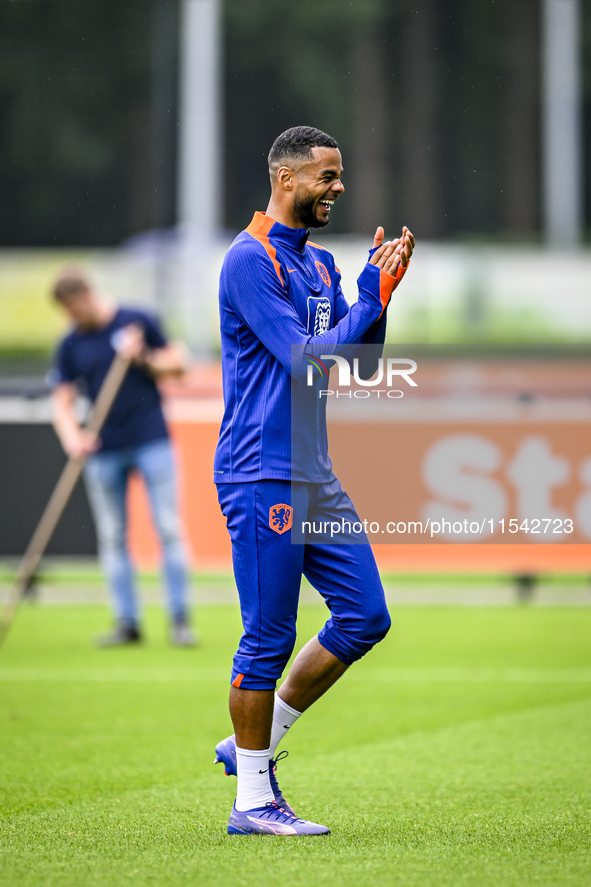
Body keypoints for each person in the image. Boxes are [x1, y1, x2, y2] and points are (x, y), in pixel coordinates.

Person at [212, 126, 414, 835]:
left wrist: (375, 293)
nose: (337, 187)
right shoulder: (248, 260)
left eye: (339, 175)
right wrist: (372, 295)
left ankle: (250, 745)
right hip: (260, 471)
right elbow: (305, 360)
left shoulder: (323, 266)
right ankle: (253, 802)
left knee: (365, 615)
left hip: (312, 473)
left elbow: (354, 363)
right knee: (266, 638)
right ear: (285, 178)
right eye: (326, 176)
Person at [50, 269, 197, 647]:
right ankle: (127, 622)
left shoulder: (137, 320)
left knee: (169, 529)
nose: (71, 318)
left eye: (72, 309)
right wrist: (73, 438)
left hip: (152, 441)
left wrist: (143, 356)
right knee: (113, 537)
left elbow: (180, 365)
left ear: (85, 295)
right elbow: (62, 400)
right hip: (102, 449)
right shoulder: (70, 343)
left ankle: (180, 620)